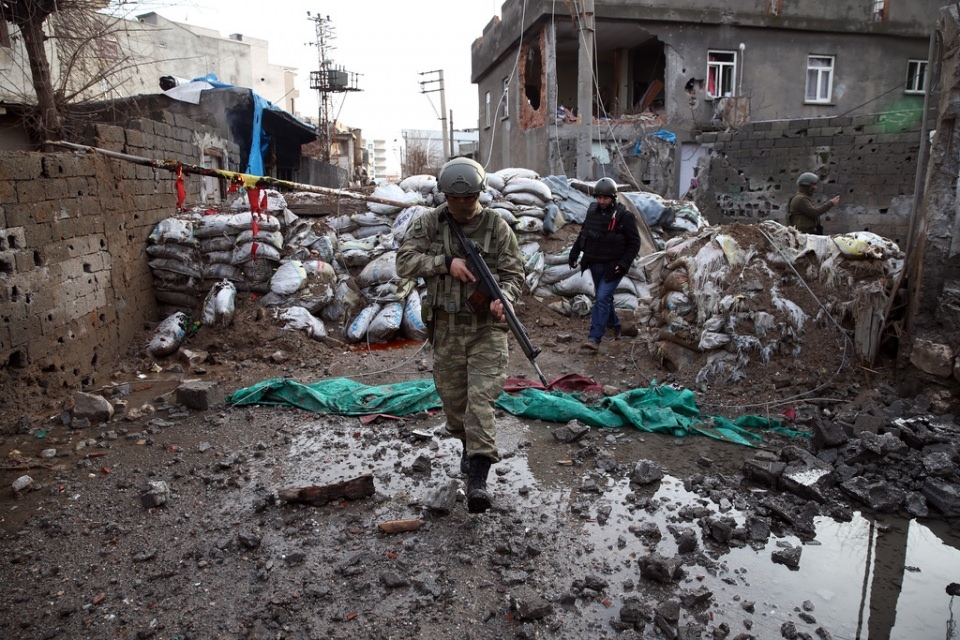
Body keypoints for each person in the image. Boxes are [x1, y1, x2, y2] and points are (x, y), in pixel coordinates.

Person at [396, 157, 525, 514]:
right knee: (455, 408)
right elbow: (404, 262)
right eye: (457, 202)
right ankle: (469, 447)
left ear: (479, 195)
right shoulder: (429, 223)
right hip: (448, 332)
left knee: (480, 402)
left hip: (486, 331)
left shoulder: (497, 227)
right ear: (446, 197)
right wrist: (444, 263)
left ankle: (478, 481)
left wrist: (506, 299)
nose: (464, 208)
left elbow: (516, 274)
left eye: (469, 201)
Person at [568, 177, 642, 352]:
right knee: (604, 298)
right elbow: (584, 233)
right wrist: (574, 253)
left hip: (613, 266)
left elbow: (634, 243)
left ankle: (594, 338)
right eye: (599, 198)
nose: (601, 201)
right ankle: (615, 326)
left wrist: (624, 264)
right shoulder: (592, 211)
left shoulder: (625, 217)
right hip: (594, 263)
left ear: (613, 198)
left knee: (601, 298)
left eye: (605, 198)